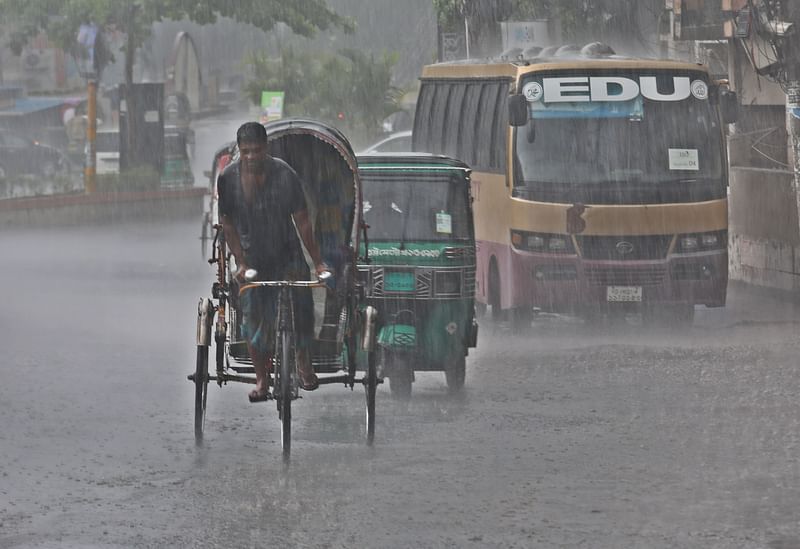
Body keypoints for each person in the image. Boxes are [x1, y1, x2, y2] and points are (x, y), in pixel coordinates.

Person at [218, 122, 327, 402]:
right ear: (240, 151)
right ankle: (262, 380)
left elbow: (302, 222)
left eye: (256, 150)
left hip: (288, 254)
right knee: (253, 317)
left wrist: (318, 263)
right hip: (253, 256)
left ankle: (303, 360)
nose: (251, 156)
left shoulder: (285, 175)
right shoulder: (228, 179)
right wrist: (240, 262)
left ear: (266, 148)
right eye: (246, 152)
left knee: (302, 307)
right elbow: (227, 224)